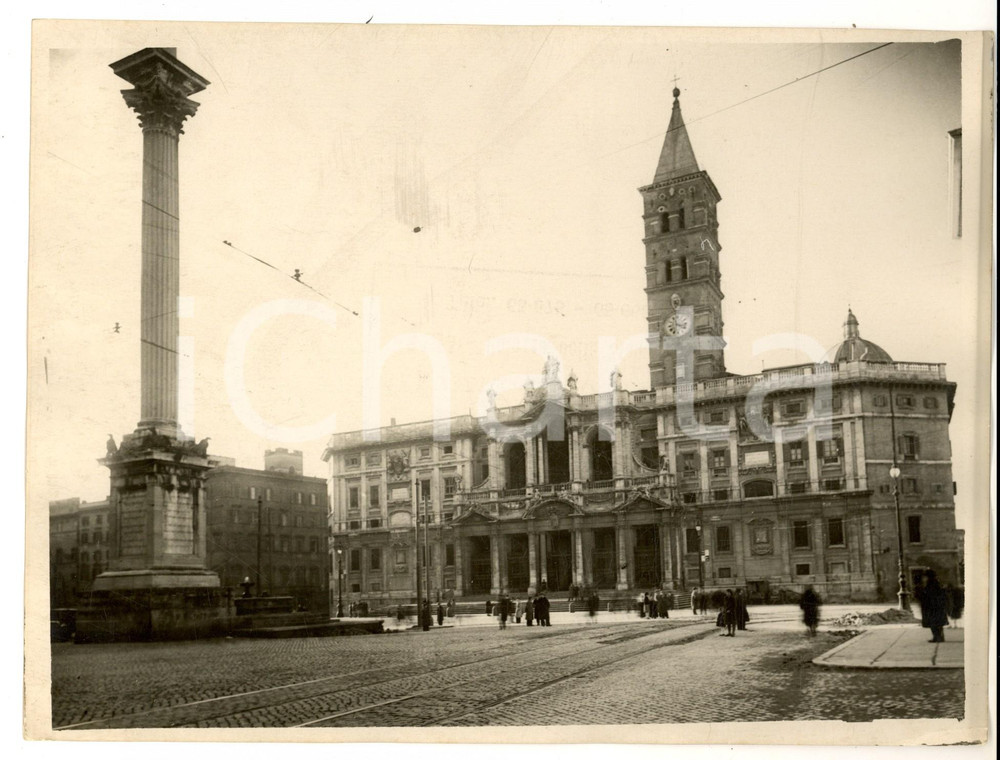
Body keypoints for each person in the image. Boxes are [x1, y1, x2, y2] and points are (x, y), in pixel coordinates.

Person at [916, 570, 949, 643]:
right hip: (937, 607)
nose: (924, 578)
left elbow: (928, 596)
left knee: (933, 623)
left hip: (931, 608)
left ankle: (936, 637)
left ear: (928, 577)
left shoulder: (930, 585)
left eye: (925, 577)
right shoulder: (936, 583)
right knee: (938, 623)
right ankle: (940, 637)